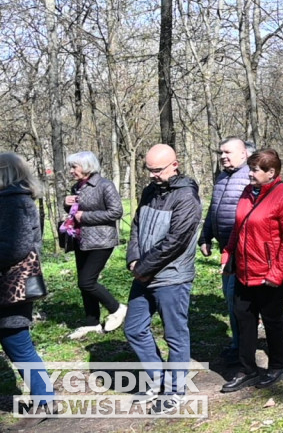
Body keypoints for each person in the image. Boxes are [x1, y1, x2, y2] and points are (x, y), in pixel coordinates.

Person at [125, 144, 202, 414]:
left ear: (174, 165)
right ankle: (157, 380)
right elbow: (136, 225)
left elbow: (175, 242)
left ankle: (175, 390)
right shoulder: (150, 191)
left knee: (175, 335)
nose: (152, 175)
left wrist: (142, 267)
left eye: (157, 170)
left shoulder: (186, 197)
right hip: (144, 273)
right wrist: (133, 257)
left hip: (172, 277)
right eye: (149, 170)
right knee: (134, 328)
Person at [220, 149, 283, 393]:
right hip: (246, 268)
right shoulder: (248, 192)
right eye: (250, 168)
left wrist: (276, 273)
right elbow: (238, 226)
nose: (250, 174)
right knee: (243, 316)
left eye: (255, 170)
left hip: (273, 273)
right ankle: (247, 369)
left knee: (271, 318)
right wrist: (228, 253)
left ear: (271, 172)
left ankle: (278, 366)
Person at [0, 152, 55, 422]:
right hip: (8, 287)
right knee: (16, 344)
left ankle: (46, 400)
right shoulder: (12, 200)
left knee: (18, 343)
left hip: (11, 288)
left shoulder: (15, 202)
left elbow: (16, 248)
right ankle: (45, 399)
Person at [197, 137, 252, 363]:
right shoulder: (221, 177)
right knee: (230, 298)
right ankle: (238, 345)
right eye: (221, 153)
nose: (223, 157)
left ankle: (243, 349)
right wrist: (205, 236)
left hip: (244, 251)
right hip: (226, 250)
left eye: (228, 152)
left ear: (243, 154)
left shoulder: (250, 176)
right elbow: (214, 208)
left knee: (235, 298)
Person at [63, 151, 127, 339]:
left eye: (74, 167)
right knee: (83, 284)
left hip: (101, 240)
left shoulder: (104, 185)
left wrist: (86, 217)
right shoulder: (77, 187)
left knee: (87, 281)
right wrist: (66, 204)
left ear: (86, 166)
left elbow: (116, 212)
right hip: (81, 240)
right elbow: (74, 212)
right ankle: (92, 323)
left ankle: (117, 308)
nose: (71, 171)